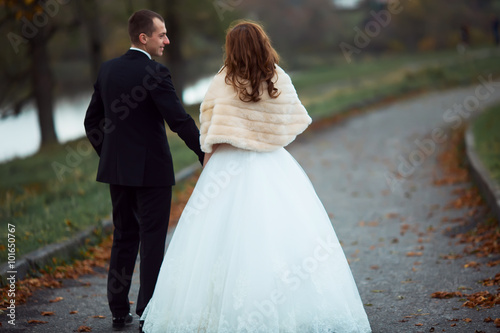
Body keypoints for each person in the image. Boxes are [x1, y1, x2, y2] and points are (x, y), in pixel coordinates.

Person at [140, 20, 371, 332]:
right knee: (282, 235)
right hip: (272, 164)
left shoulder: (221, 81)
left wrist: (208, 170)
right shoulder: (279, 78)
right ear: (264, 44)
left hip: (227, 166)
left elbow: (209, 133)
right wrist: (267, 138)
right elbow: (290, 122)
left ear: (231, 49)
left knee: (217, 240)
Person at [84, 9, 204, 331]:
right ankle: (148, 310)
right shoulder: (156, 73)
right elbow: (178, 120)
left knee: (124, 236)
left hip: (118, 173)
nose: (167, 39)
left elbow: (91, 122)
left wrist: (110, 155)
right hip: (152, 174)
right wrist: (204, 153)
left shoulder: (107, 70)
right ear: (143, 37)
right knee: (152, 240)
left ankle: (118, 309)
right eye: (161, 34)